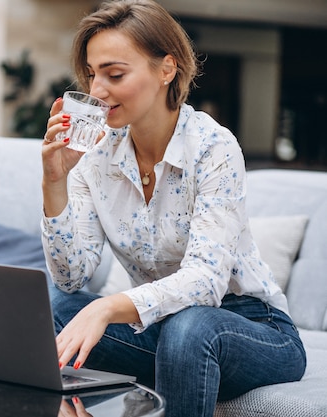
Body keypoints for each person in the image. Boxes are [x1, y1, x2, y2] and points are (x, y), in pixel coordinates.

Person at [40, 1, 306, 416]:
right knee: (58, 310)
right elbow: (72, 277)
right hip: (163, 331)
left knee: (190, 328)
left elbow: (204, 283)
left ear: (167, 69)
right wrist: (54, 183)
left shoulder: (213, 148)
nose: (96, 92)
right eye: (92, 75)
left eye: (115, 74)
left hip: (253, 328)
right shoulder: (93, 156)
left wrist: (107, 307)